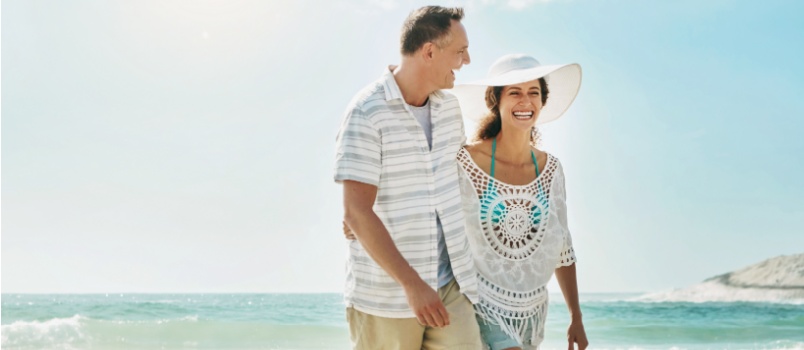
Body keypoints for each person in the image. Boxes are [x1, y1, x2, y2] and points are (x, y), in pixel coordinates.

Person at [333, 6, 483, 349]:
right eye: (460, 52)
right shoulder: (366, 112)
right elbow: (357, 211)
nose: (467, 60)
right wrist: (412, 285)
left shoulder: (449, 110)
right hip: (385, 298)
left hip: (450, 285)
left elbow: (457, 179)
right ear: (429, 51)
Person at [450, 53, 589, 350]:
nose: (525, 101)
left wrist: (576, 316)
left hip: (532, 311)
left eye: (533, 93)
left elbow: (562, 247)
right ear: (495, 101)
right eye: (515, 92)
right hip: (481, 304)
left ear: (542, 101)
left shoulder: (551, 169)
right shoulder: (466, 161)